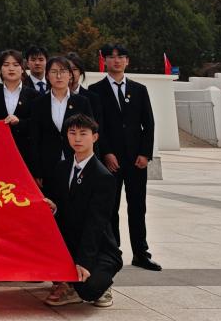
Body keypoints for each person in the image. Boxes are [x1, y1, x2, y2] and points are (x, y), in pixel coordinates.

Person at [87, 44, 160, 271]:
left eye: (121, 57)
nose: (116, 61)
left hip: (136, 160)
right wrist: (106, 152)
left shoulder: (139, 90)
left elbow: (148, 124)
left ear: (127, 61)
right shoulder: (95, 90)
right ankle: (113, 251)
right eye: (111, 57)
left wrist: (145, 154)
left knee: (137, 207)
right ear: (104, 61)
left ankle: (141, 253)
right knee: (110, 208)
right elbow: (97, 126)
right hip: (110, 161)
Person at [42, 113, 121, 309]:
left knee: (89, 288)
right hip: (71, 243)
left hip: (98, 247)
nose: (77, 138)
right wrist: (55, 208)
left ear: (94, 137)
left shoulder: (103, 177)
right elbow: (63, 206)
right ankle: (70, 284)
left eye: (83, 133)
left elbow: (96, 224)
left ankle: (102, 285)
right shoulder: (61, 168)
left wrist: (83, 262)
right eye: (72, 133)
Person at [29, 55, 95, 193]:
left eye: (63, 71)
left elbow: (90, 134)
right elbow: (34, 139)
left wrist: (92, 164)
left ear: (70, 75)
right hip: (47, 165)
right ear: (47, 76)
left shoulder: (82, 102)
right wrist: (36, 170)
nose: (58, 76)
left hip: (76, 162)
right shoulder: (38, 103)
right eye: (54, 72)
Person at [0, 49, 36, 164]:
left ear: (22, 69)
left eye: (15, 65)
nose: (11, 68)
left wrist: (19, 122)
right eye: (6, 65)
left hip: (24, 154)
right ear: (0, 69)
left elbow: (36, 125)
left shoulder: (34, 95)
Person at [67, 52, 103, 132]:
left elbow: (97, 127)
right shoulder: (54, 96)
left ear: (81, 72)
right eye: (67, 69)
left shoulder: (92, 98)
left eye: (74, 69)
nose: (71, 73)